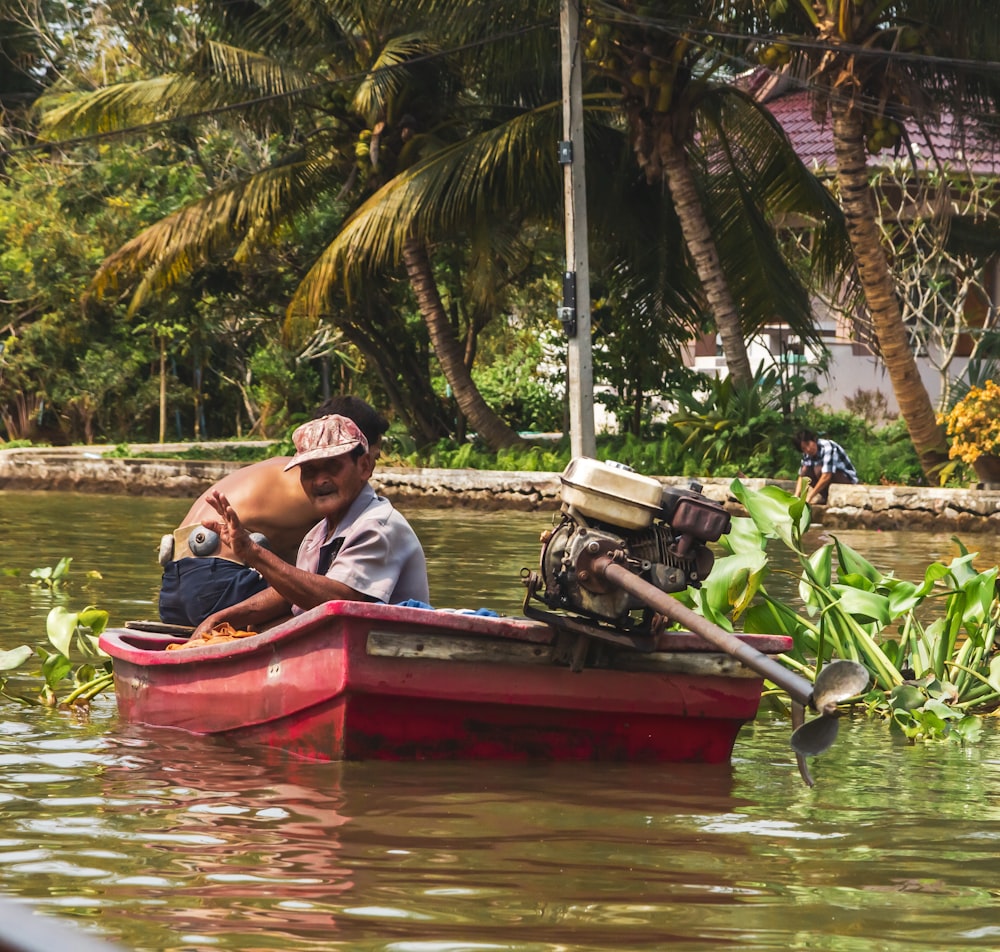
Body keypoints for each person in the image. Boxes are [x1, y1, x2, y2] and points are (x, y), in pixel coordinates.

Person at [190, 412, 429, 638]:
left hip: (393, 649)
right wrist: (221, 619)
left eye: (333, 467)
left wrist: (252, 553)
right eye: (310, 471)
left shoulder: (377, 526)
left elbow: (341, 602)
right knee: (253, 627)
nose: (320, 480)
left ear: (365, 467)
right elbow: (290, 593)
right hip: (350, 644)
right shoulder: (317, 534)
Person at [157, 396, 389, 627]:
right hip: (217, 583)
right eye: (373, 457)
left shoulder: (283, 467)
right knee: (312, 598)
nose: (371, 469)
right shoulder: (325, 486)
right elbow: (328, 588)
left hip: (172, 590)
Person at [793, 429, 859, 505]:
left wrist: (809, 497)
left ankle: (825, 496)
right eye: (804, 448)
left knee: (818, 470)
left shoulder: (828, 447)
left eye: (808, 444)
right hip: (828, 480)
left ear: (813, 440)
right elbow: (802, 475)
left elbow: (826, 475)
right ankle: (825, 496)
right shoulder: (807, 453)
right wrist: (796, 496)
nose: (808, 449)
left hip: (847, 480)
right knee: (806, 470)